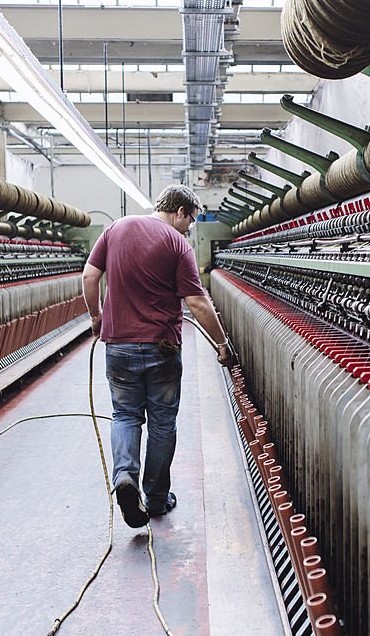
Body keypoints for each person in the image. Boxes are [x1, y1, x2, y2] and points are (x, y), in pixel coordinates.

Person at [81, 184, 235, 528]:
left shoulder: (115, 229)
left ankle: (124, 477)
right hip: (162, 347)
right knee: (162, 424)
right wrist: (223, 344)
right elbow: (196, 302)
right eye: (191, 220)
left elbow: (90, 276)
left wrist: (96, 317)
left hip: (118, 346)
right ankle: (155, 497)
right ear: (179, 211)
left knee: (124, 416)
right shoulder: (177, 244)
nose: (190, 228)